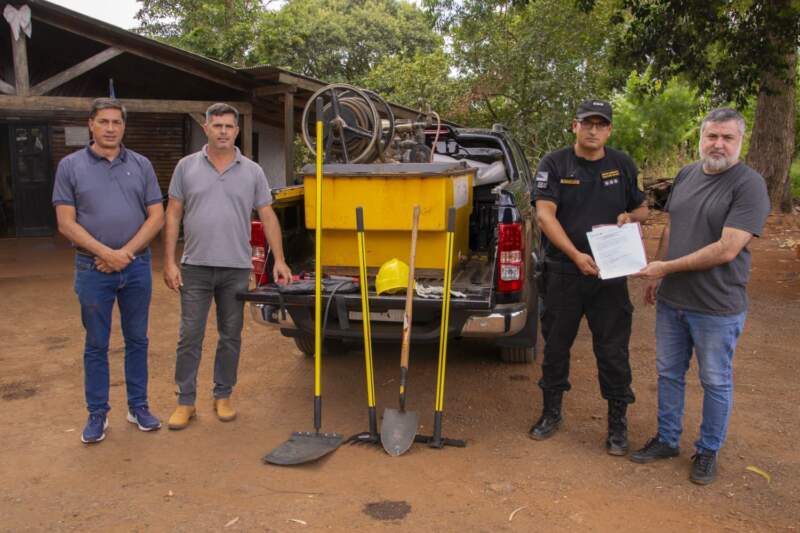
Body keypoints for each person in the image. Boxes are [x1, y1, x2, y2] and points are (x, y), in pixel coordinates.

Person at [630, 108, 770, 485]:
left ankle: (708, 450)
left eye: (727, 138)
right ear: (701, 138)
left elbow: (726, 249)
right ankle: (667, 439)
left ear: (740, 141)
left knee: (715, 380)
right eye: (712, 136)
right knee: (669, 374)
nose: (718, 144)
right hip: (674, 301)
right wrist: (659, 267)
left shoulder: (749, 185)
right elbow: (673, 225)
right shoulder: (689, 173)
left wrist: (666, 269)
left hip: (716, 308)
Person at [531, 99, 649, 455]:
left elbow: (643, 207)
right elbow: (544, 216)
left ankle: (617, 426)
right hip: (564, 273)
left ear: (609, 129)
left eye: (601, 124)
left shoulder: (622, 164)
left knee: (613, 351)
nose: (593, 130)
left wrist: (632, 217)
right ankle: (551, 414)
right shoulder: (554, 163)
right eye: (587, 123)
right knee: (555, 348)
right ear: (574, 126)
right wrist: (575, 255)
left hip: (610, 275)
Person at [163, 103, 292, 430]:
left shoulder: (252, 171)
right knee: (189, 336)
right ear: (205, 128)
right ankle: (185, 402)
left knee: (230, 336)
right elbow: (173, 213)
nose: (223, 131)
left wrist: (280, 259)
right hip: (194, 267)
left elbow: (267, 215)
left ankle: (223, 396)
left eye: (228, 126)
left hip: (235, 268)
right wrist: (168, 261)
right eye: (217, 125)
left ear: (237, 131)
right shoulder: (186, 167)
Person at [53, 98, 165, 444]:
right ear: (91, 124)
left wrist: (124, 254)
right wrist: (104, 253)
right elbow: (65, 223)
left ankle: (138, 407)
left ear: (123, 127)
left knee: (137, 340)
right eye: (104, 121)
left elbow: (156, 216)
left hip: (136, 267)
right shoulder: (70, 166)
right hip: (92, 268)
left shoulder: (142, 165)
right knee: (96, 344)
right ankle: (97, 414)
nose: (111, 128)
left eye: (117, 122)